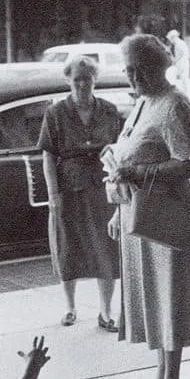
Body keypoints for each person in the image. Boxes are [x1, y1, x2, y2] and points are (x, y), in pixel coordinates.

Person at [102, 34, 190, 379]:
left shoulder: (175, 105)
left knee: (171, 302)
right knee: (155, 301)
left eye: (139, 69)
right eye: (128, 70)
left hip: (169, 219)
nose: (132, 77)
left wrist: (139, 173)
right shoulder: (144, 103)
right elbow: (127, 153)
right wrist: (118, 209)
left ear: (159, 65)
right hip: (141, 215)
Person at [37, 55, 123, 330]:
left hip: (103, 189)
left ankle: (106, 312)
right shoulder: (56, 113)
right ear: (68, 81)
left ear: (95, 80)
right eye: (76, 80)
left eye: (87, 79)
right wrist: (53, 195)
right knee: (68, 248)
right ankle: (70, 308)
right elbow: (48, 156)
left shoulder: (110, 111)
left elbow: (123, 149)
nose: (82, 85)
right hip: (68, 190)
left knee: (105, 248)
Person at [166, 29, 190, 94]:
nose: (170, 41)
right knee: (184, 81)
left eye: (170, 39)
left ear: (173, 37)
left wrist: (174, 60)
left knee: (173, 76)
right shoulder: (181, 43)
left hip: (181, 64)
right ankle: (185, 93)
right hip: (183, 63)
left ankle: (175, 93)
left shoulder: (178, 44)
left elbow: (180, 55)